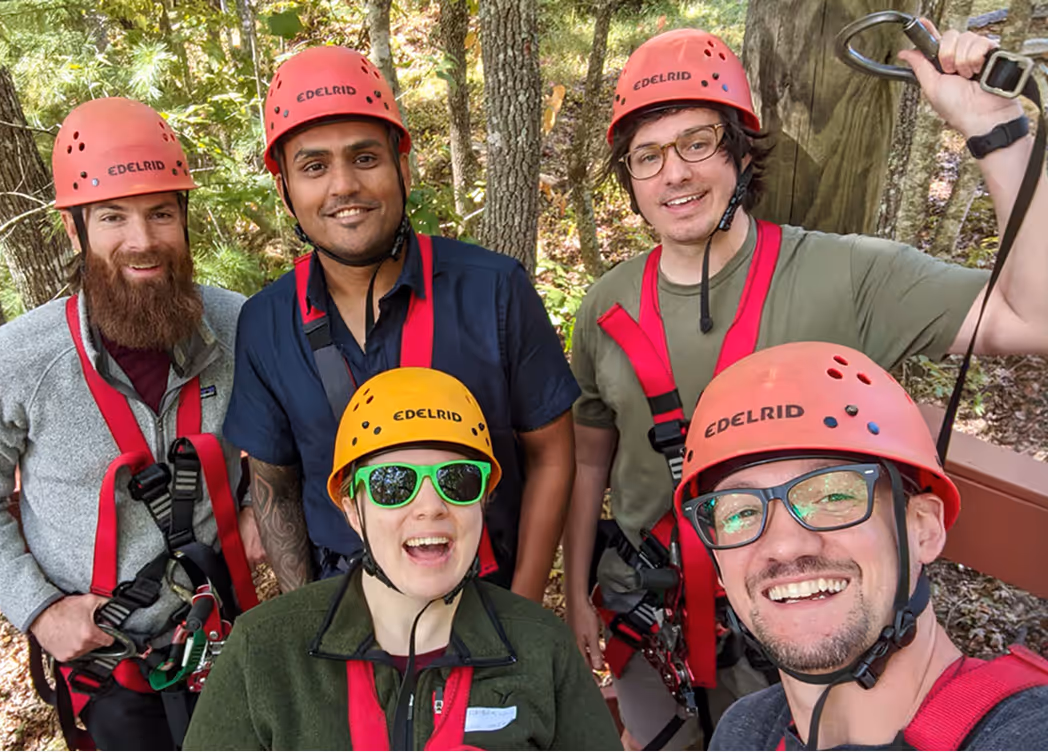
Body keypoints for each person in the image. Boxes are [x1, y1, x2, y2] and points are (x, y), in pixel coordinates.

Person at [565, 23, 1048, 750]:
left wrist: (996, 131)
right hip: (651, 616)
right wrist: (575, 591)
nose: (675, 174)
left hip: (799, 610)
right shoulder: (605, 308)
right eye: (648, 157)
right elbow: (590, 461)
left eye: (698, 143)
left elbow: (1033, 316)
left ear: (738, 152)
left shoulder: (849, 277)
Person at [0, 98, 262, 751]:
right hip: (110, 663)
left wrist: (264, 507)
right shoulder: (13, 366)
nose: (142, 240)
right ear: (73, 231)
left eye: (161, 212)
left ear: (184, 219)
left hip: (232, 637)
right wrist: (40, 610)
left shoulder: (240, 328)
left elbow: (301, 436)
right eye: (113, 216)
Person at [222, 45, 579, 602]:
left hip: (484, 593)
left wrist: (524, 611)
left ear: (402, 167)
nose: (344, 186)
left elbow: (553, 453)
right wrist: (307, 622)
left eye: (365, 158)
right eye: (314, 166)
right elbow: (276, 487)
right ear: (285, 189)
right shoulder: (268, 323)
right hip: (346, 604)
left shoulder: (492, 291)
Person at [184, 367, 621, 750]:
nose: (430, 506)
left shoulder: (543, 650)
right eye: (394, 484)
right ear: (353, 508)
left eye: (458, 480)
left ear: (484, 500)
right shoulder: (264, 651)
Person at [675, 340, 1048, 750]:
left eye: (834, 496)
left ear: (923, 529)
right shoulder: (745, 732)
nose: (784, 546)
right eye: (739, 513)